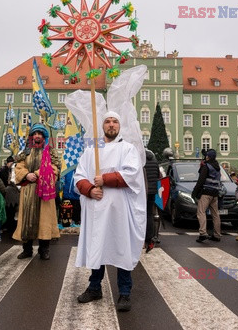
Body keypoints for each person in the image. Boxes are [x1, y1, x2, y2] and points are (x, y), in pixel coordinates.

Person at [74, 112, 146, 312]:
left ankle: (124, 292)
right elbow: (78, 176)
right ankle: (95, 287)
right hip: (97, 209)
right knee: (98, 246)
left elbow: (132, 175)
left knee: (120, 247)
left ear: (119, 126)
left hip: (119, 211)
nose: (111, 124)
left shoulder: (128, 149)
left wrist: (105, 179)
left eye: (115, 121)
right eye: (107, 121)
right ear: (102, 126)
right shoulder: (91, 150)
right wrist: (89, 189)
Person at [13, 123, 60, 261]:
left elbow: (54, 168)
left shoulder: (50, 151)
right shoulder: (25, 152)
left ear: (43, 136)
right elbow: (19, 167)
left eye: (40, 133)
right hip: (28, 191)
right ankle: (27, 249)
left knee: (44, 221)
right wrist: (26, 175)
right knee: (27, 220)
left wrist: (38, 174)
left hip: (44, 190)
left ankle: (44, 249)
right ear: (31, 136)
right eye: (35, 133)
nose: (37, 136)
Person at [192, 149, 222, 243]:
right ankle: (217, 235)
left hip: (206, 193)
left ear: (208, 157)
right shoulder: (217, 167)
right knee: (215, 214)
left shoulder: (206, 166)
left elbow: (200, 181)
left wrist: (195, 192)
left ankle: (203, 233)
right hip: (215, 193)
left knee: (201, 212)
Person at [144, 149, 160, 253]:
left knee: (141, 215)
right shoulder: (155, 162)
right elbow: (158, 176)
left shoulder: (141, 162)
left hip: (143, 192)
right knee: (150, 214)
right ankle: (150, 237)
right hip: (153, 191)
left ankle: (142, 237)